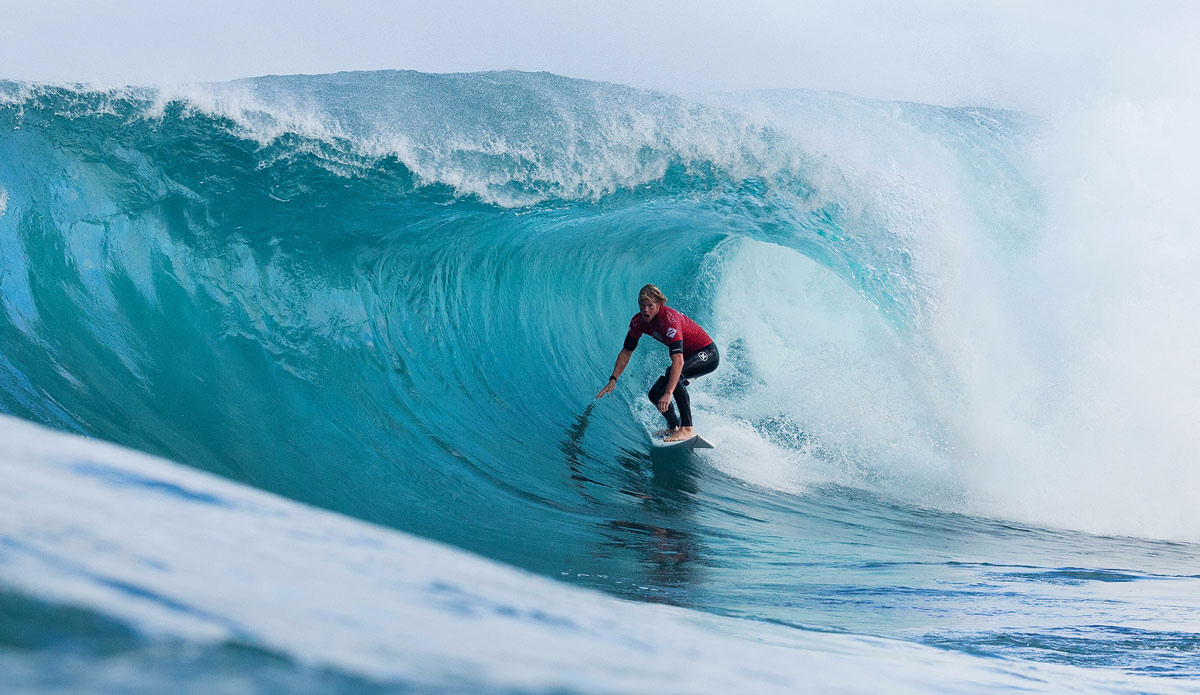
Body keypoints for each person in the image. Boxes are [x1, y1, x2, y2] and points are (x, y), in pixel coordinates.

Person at [595, 284, 719, 442]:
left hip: (707, 353)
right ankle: (673, 426)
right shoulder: (638, 322)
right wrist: (613, 379)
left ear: (659, 304)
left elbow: (678, 361)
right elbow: (626, 351)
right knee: (655, 393)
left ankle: (687, 428)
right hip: (688, 357)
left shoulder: (669, 320)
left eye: (650, 306)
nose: (645, 310)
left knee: (673, 376)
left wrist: (669, 393)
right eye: (642, 306)